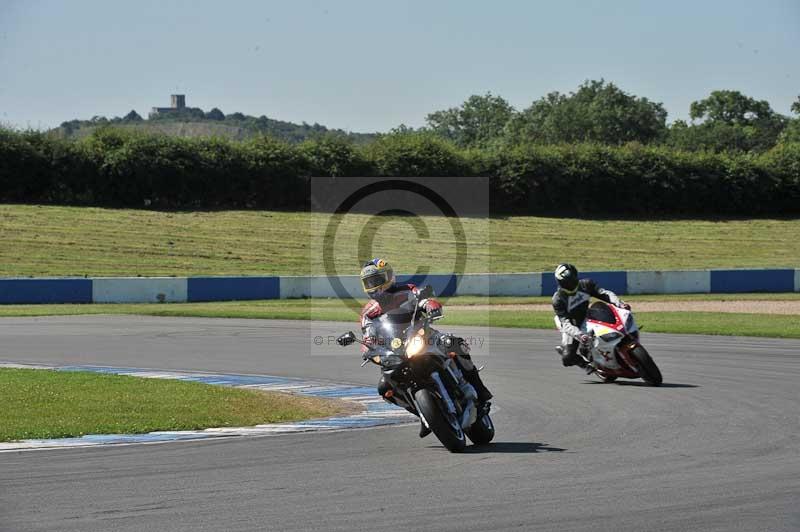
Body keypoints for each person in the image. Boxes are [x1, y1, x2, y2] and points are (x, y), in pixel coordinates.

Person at [358, 258, 492, 437]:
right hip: (395, 351)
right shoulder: (368, 312)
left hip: (423, 336)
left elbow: (424, 299)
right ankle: (423, 414)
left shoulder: (407, 291)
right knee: (384, 388)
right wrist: (368, 348)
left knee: (455, 344)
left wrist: (431, 305)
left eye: (376, 280)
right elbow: (368, 335)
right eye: (369, 283)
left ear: (389, 277)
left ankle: (480, 391)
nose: (374, 286)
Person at [551, 263, 631, 369]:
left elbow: (605, 294)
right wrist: (579, 335)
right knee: (567, 358)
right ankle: (584, 364)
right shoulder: (558, 299)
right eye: (568, 281)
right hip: (572, 325)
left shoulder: (586, 284)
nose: (571, 283)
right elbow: (565, 323)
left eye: (572, 279)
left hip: (587, 316)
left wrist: (620, 303)